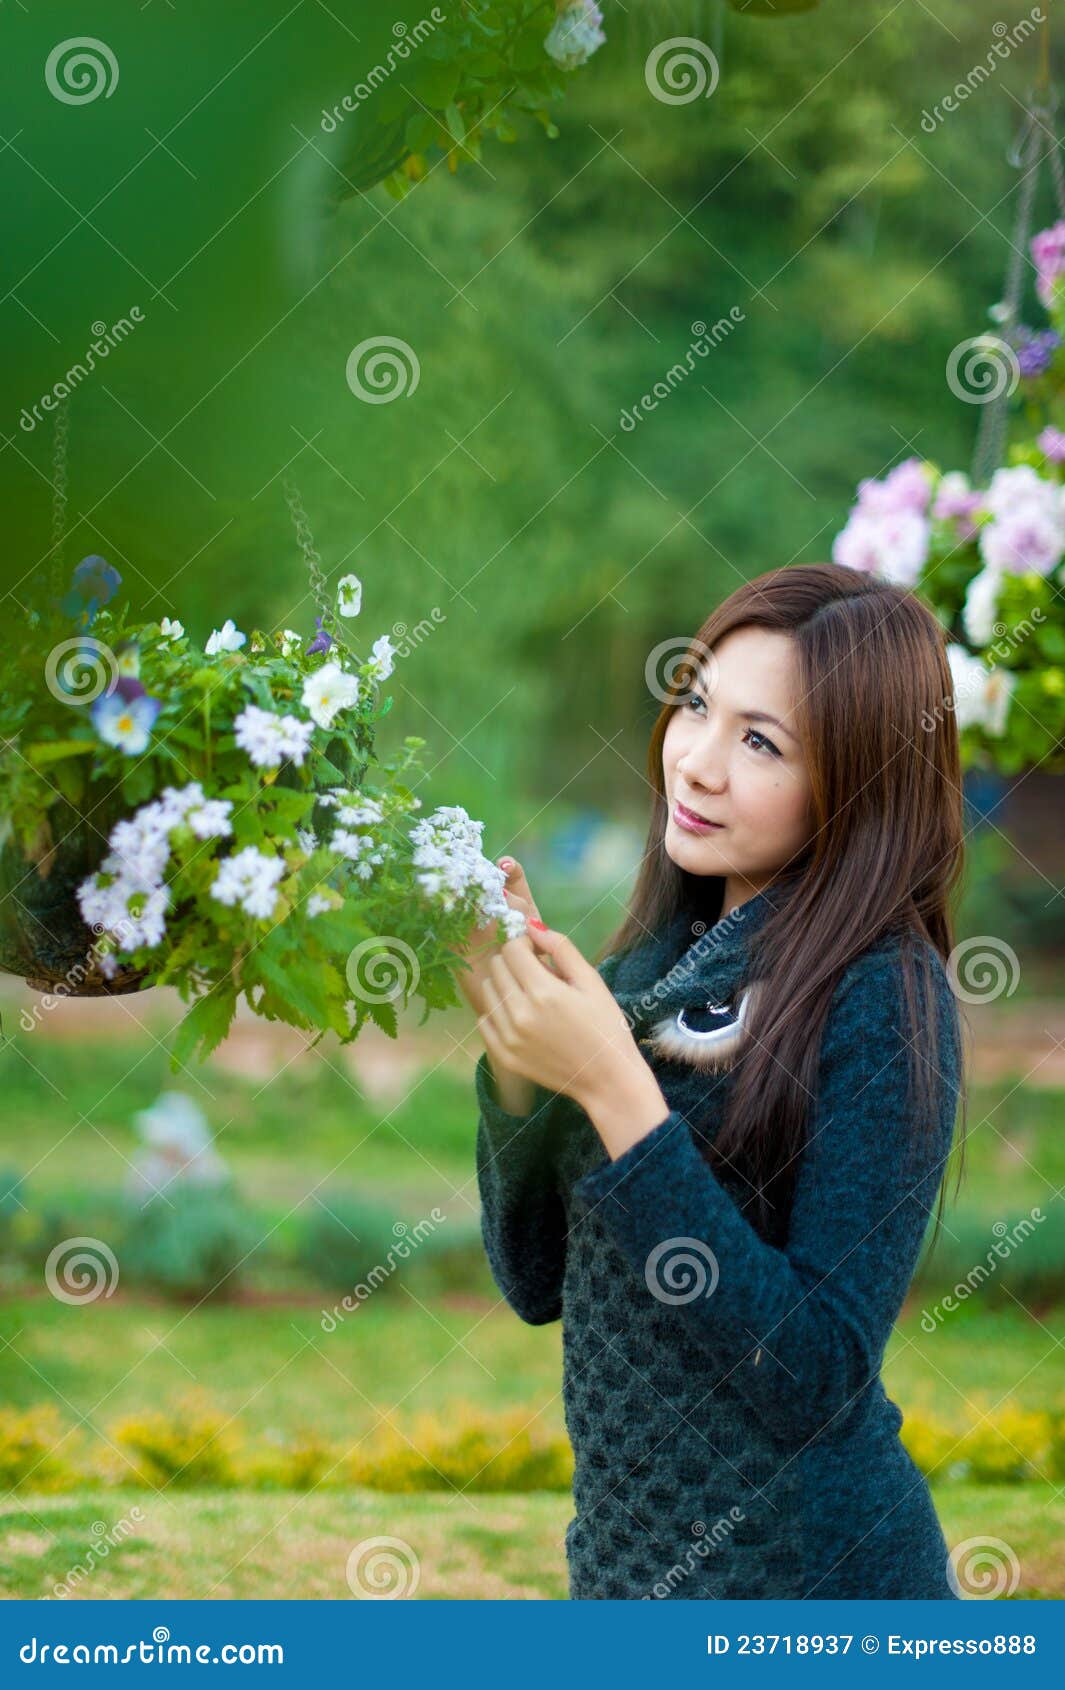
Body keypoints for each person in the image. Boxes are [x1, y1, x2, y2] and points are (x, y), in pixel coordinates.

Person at [458, 562, 971, 1600]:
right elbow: (535, 1281)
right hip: (625, 1575)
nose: (695, 763)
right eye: (697, 705)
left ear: (860, 785)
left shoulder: (885, 994)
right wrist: (519, 1068)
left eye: (761, 742)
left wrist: (614, 1090)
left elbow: (818, 1369)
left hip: (809, 1586)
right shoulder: (653, 965)